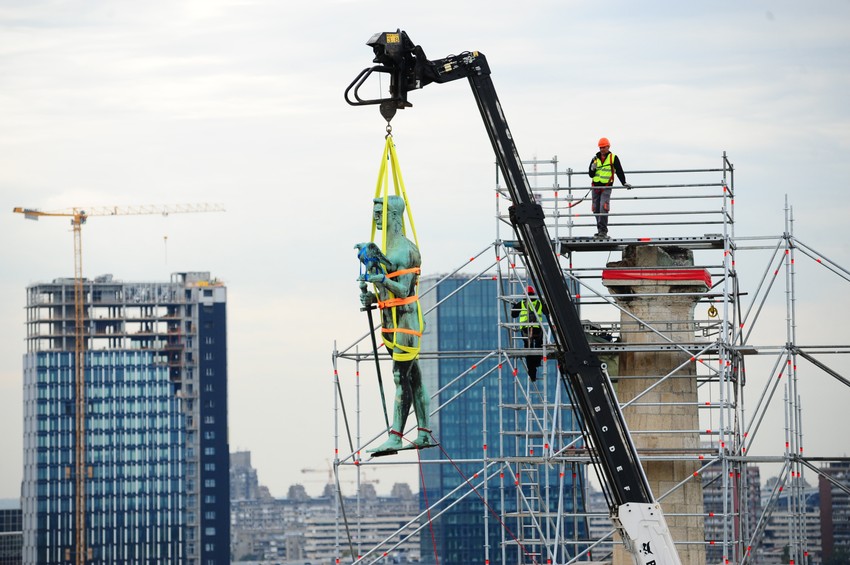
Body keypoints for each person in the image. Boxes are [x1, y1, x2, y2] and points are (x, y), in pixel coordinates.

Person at [356, 195, 430, 453]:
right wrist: (372, 298)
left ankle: (396, 436)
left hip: (406, 325)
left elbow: (404, 290)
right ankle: (424, 432)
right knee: (414, 379)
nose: (376, 217)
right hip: (390, 326)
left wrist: (383, 280)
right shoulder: (388, 252)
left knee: (401, 377)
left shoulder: (406, 251)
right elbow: (387, 296)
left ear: (394, 215)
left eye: (380, 212)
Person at [588, 137, 631, 239]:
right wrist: (592, 168)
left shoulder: (613, 158)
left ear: (608, 147)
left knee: (604, 207)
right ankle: (599, 230)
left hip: (606, 187)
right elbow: (591, 174)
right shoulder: (595, 159)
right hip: (595, 187)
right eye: (600, 147)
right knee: (596, 209)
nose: (602, 149)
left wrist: (623, 182)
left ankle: (603, 231)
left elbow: (619, 171)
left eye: (604, 147)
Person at [511, 285, 548, 381]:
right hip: (537, 328)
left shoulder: (522, 303)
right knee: (539, 346)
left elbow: (513, 315)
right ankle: (537, 362)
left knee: (528, 349)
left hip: (525, 329)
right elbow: (546, 312)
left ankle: (532, 374)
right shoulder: (539, 303)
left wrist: (514, 306)